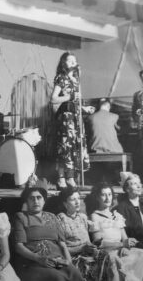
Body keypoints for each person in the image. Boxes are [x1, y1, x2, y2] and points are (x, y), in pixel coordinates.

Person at [13, 184, 84, 281]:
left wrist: (69, 262)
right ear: (26, 201)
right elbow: (19, 246)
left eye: (39, 198)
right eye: (31, 198)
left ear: (44, 200)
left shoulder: (52, 217)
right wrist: (38, 259)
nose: (36, 201)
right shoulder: (21, 217)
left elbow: (62, 245)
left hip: (57, 261)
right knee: (57, 277)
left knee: (75, 273)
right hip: (33, 263)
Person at [50, 51, 94, 189]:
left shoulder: (76, 81)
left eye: (74, 61)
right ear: (64, 63)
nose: (73, 63)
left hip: (76, 117)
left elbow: (76, 101)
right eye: (70, 61)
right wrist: (69, 97)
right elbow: (53, 99)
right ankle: (61, 177)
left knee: (75, 146)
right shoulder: (61, 78)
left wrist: (85, 109)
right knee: (65, 146)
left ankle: (70, 177)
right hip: (66, 117)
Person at [89, 181, 143, 281]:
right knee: (116, 262)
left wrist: (126, 245)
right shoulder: (95, 216)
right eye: (103, 195)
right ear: (97, 197)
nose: (107, 198)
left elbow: (125, 238)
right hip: (106, 253)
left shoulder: (117, 216)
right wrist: (122, 244)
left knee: (142, 255)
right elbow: (98, 243)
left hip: (120, 250)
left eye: (109, 194)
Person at [57, 186, 109, 281]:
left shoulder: (83, 217)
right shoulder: (61, 219)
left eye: (78, 198)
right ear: (65, 204)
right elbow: (61, 248)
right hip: (74, 257)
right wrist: (82, 248)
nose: (77, 202)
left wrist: (94, 244)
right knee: (89, 266)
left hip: (89, 253)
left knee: (108, 257)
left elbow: (88, 241)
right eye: (73, 199)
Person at [115, 172, 143, 248]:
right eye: (134, 184)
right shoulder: (121, 208)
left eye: (139, 183)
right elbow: (124, 236)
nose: (139, 186)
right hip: (136, 247)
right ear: (127, 189)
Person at [132, 70, 143, 179]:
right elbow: (134, 111)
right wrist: (137, 113)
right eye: (142, 78)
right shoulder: (138, 95)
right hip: (142, 128)